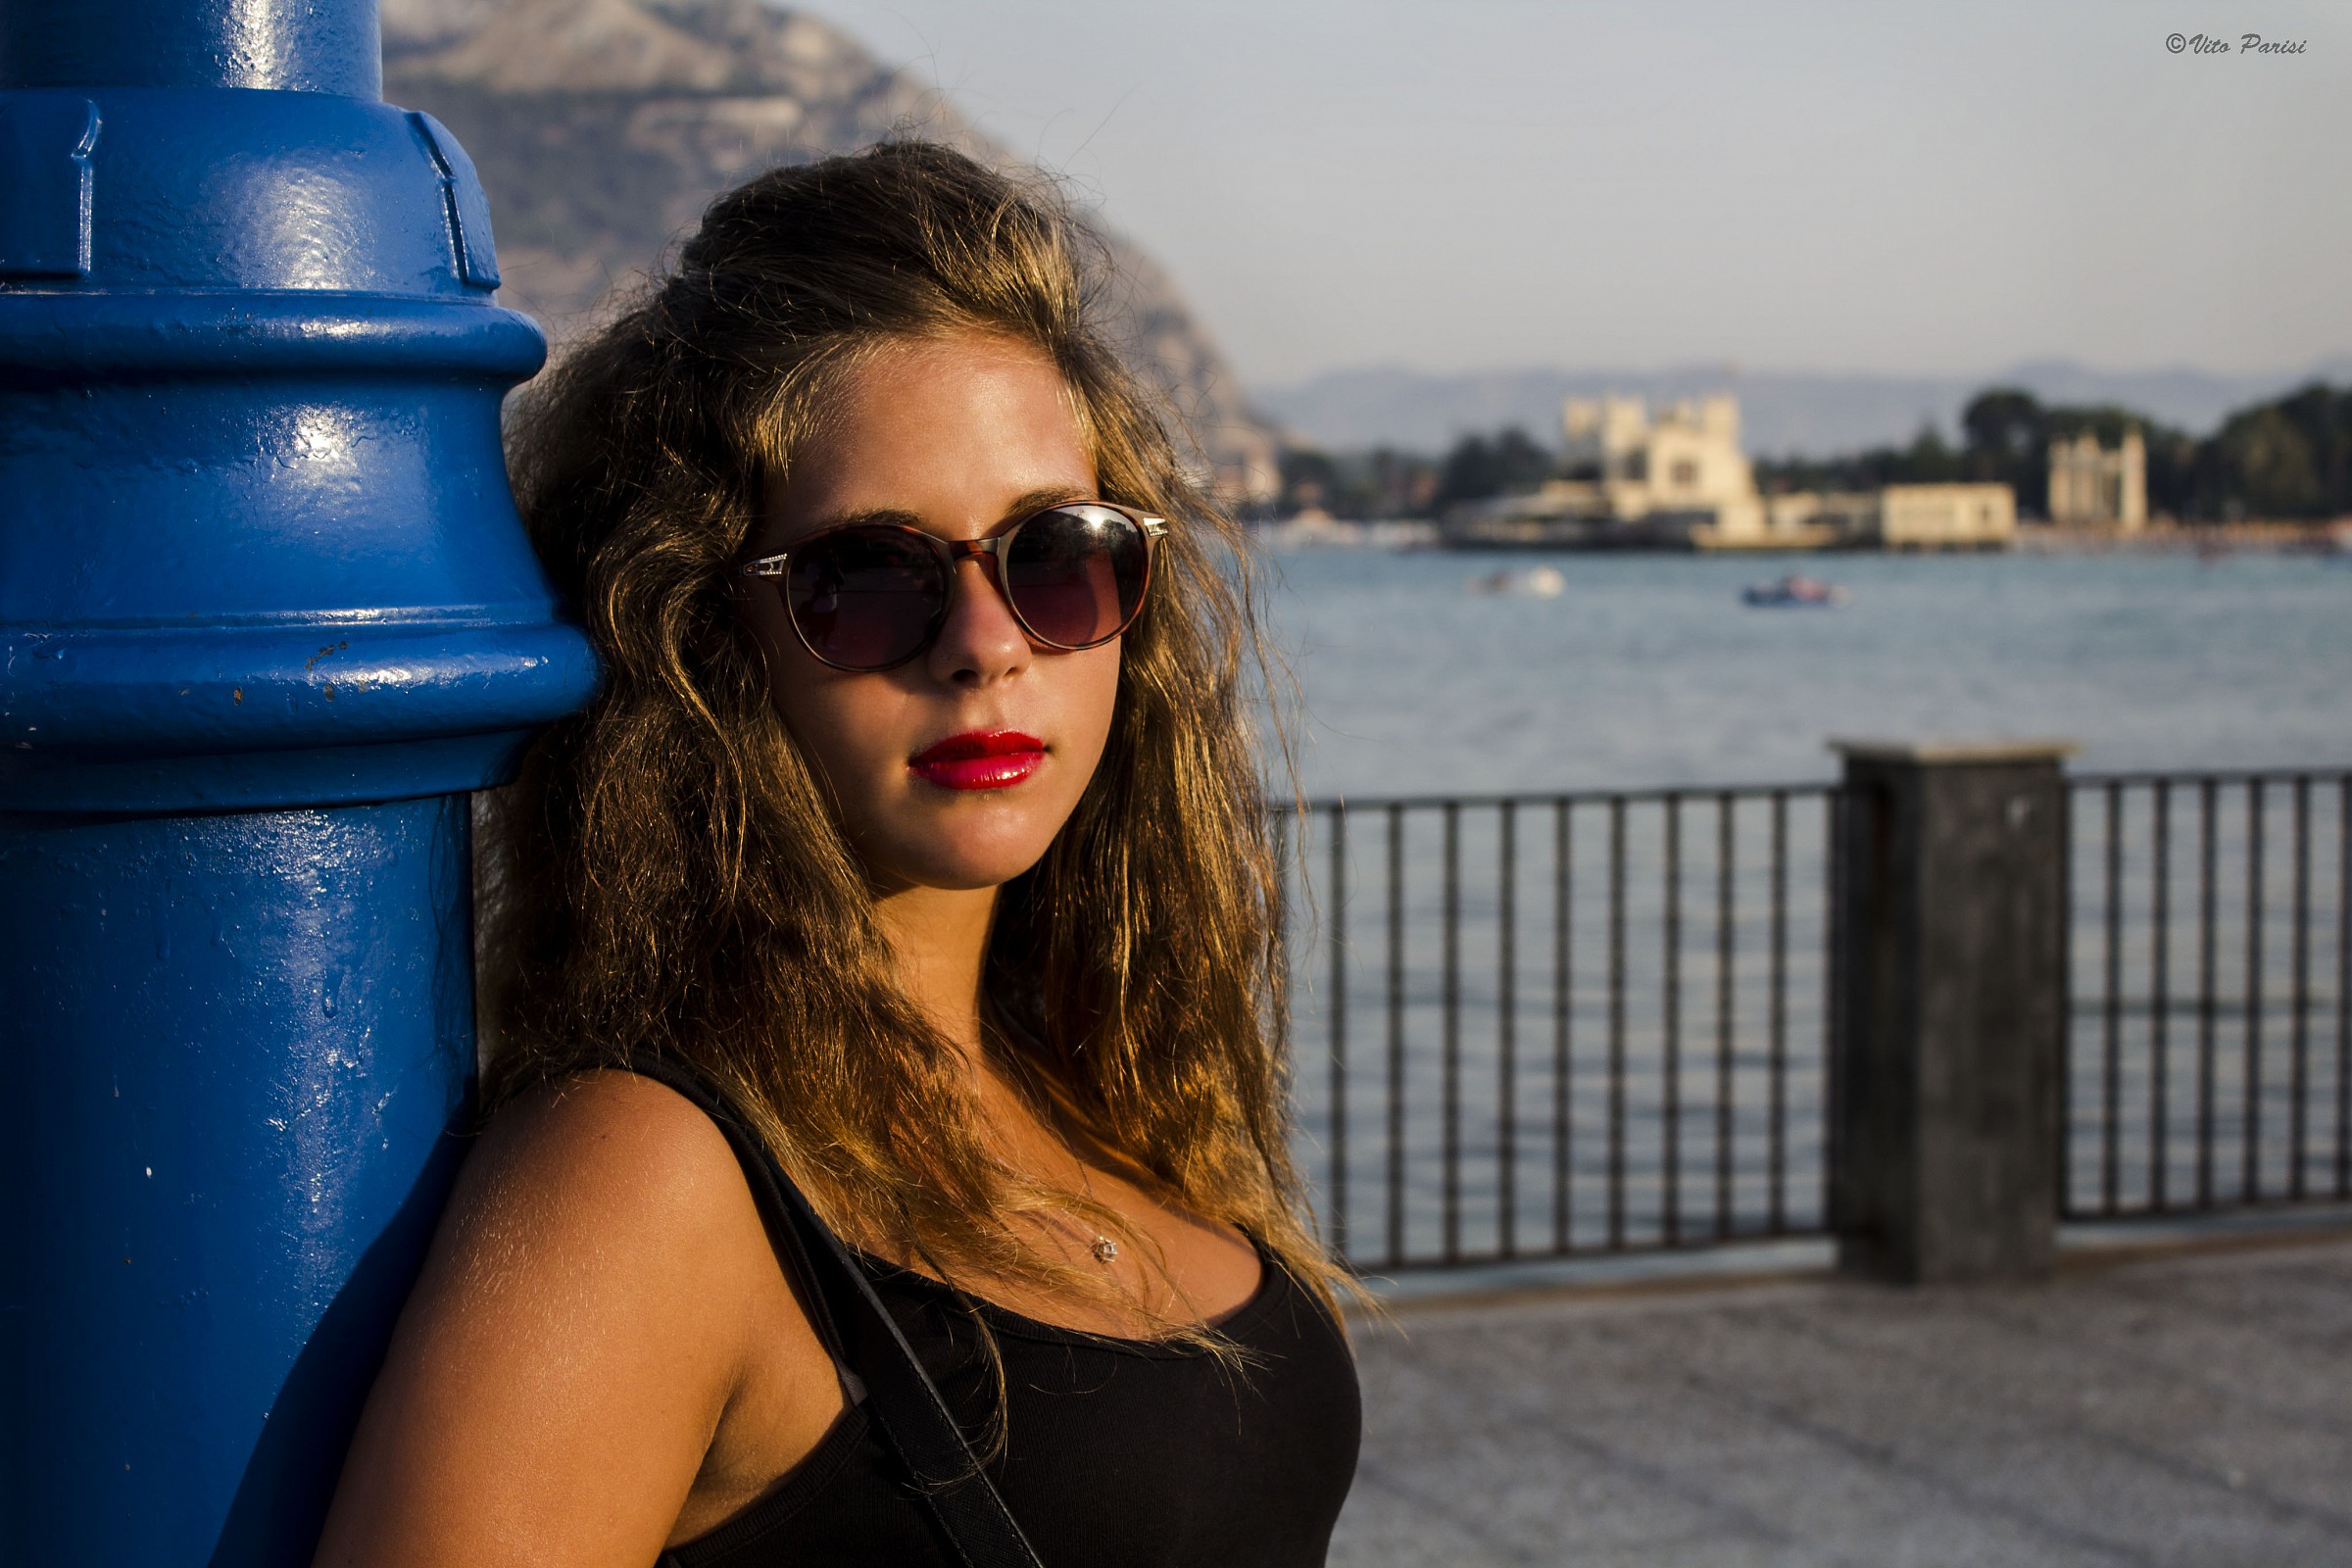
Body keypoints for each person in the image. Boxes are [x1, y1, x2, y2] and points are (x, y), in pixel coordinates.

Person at [315, 142, 1361, 1567]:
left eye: (1058, 554)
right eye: (870, 579)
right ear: (705, 639)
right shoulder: (644, 1180)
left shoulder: (1083, 1062)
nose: (988, 645)